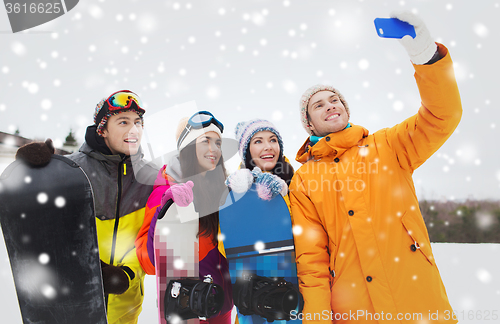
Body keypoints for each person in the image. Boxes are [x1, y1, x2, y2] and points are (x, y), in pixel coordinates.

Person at [289, 12, 461, 323]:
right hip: (354, 309)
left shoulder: (388, 146)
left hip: (416, 297)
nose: (330, 105)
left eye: (335, 100)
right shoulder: (303, 181)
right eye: (319, 104)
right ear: (309, 124)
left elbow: (442, 115)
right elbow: (311, 258)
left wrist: (426, 56)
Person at [66, 90, 158, 323]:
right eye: (123, 122)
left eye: (138, 122)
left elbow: (151, 237)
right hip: (76, 305)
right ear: (102, 129)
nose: (133, 129)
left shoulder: (149, 178)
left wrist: (127, 273)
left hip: (126, 308)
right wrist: (35, 171)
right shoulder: (71, 171)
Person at [136, 111, 234, 324]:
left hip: (220, 304)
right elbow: (148, 262)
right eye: (205, 141)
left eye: (218, 143)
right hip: (188, 306)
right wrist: (165, 210)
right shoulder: (165, 189)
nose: (213, 149)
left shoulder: (220, 188)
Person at [226, 119, 294, 203]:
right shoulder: (235, 194)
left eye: (273, 140)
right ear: (247, 151)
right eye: (258, 141)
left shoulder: (297, 180)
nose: (268, 147)